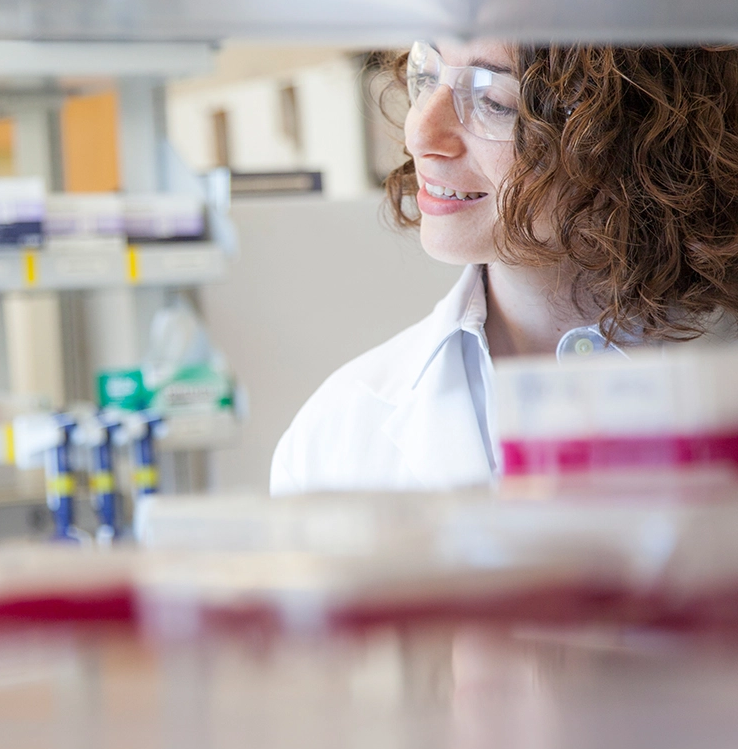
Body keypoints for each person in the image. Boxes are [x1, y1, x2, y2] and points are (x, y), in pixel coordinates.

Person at [271, 40, 738, 495]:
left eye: (494, 101)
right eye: (427, 75)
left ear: (644, 133)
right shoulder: (335, 433)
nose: (421, 136)